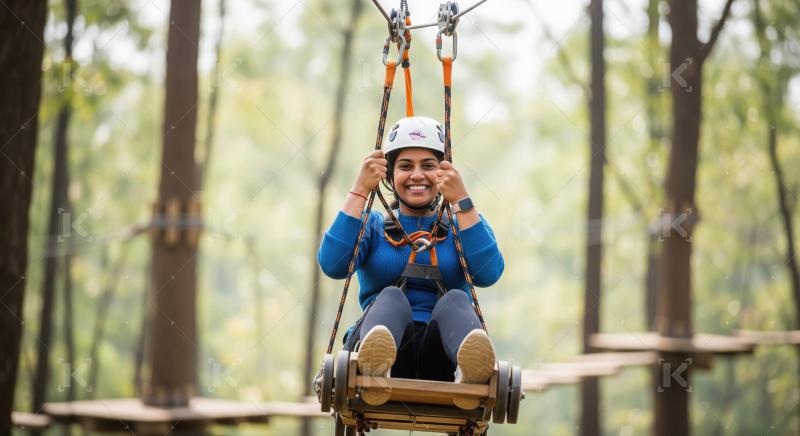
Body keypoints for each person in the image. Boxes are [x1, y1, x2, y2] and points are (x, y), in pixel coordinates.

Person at [317, 116, 504, 408]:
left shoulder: (463, 223)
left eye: (428, 166)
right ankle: (376, 369)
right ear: (390, 176)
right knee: (391, 296)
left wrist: (462, 200)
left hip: (443, 357)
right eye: (405, 166)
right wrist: (360, 190)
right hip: (379, 351)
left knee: (455, 298)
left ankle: (470, 372)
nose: (417, 175)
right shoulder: (373, 226)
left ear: (443, 172)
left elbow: (488, 273)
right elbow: (332, 264)